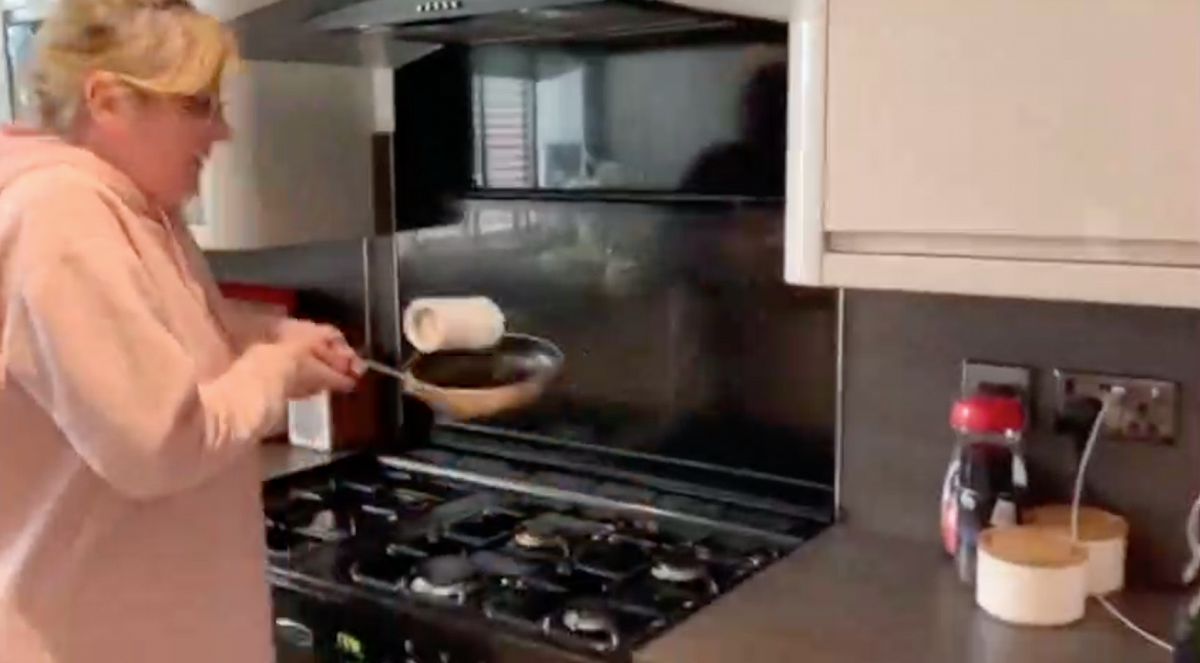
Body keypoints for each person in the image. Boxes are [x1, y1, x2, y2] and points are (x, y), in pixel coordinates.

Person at [0, 0, 365, 661]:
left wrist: (272, 335)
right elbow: (162, 445)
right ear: (108, 100)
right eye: (198, 105)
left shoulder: (135, 206)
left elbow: (171, 329)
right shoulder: (64, 216)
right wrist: (276, 372)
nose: (221, 130)